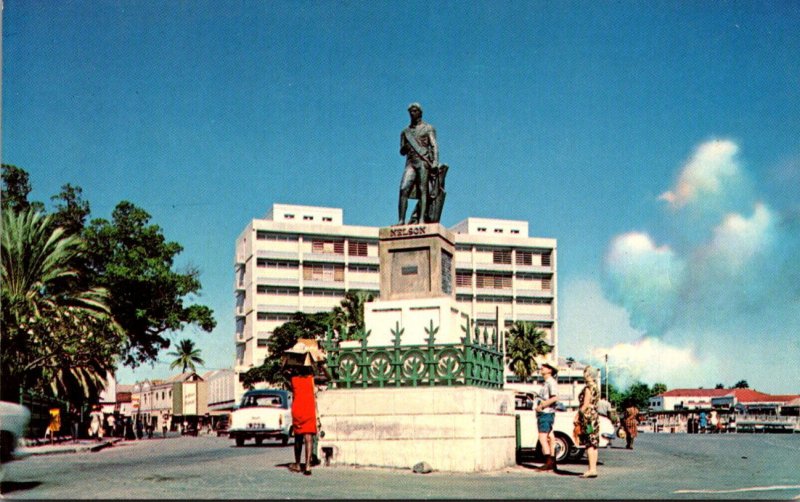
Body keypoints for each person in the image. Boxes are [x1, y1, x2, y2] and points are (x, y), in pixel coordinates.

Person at [397, 102, 438, 225]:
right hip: (410, 162)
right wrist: (404, 148)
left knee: (422, 190)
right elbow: (402, 151)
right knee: (403, 189)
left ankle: (421, 220)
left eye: (414, 111)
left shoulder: (428, 128)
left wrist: (435, 161)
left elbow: (434, 145)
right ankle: (401, 220)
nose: (412, 113)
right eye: (410, 112)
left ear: (420, 112)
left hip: (422, 162)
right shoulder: (405, 132)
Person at [533, 362, 560, 472]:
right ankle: (552, 461)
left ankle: (548, 462)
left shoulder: (550, 382)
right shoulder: (547, 383)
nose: (542, 368)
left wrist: (542, 406)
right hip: (546, 413)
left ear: (550, 370)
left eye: (545, 367)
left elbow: (555, 398)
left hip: (546, 413)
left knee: (542, 438)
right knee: (550, 437)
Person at [575, 366, 600, 478]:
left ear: (588, 374)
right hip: (594, 417)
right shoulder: (596, 387)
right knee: (594, 442)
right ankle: (593, 468)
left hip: (588, 418)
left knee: (589, 442)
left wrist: (577, 415)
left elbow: (585, 405)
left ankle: (591, 469)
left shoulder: (588, 388)